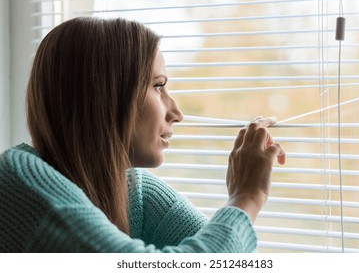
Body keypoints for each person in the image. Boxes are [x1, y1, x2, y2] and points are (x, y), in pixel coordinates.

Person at [0, 17, 285, 252]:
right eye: (158, 86)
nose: (177, 113)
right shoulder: (22, 183)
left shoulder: (135, 191)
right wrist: (246, 196)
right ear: (104, 97)